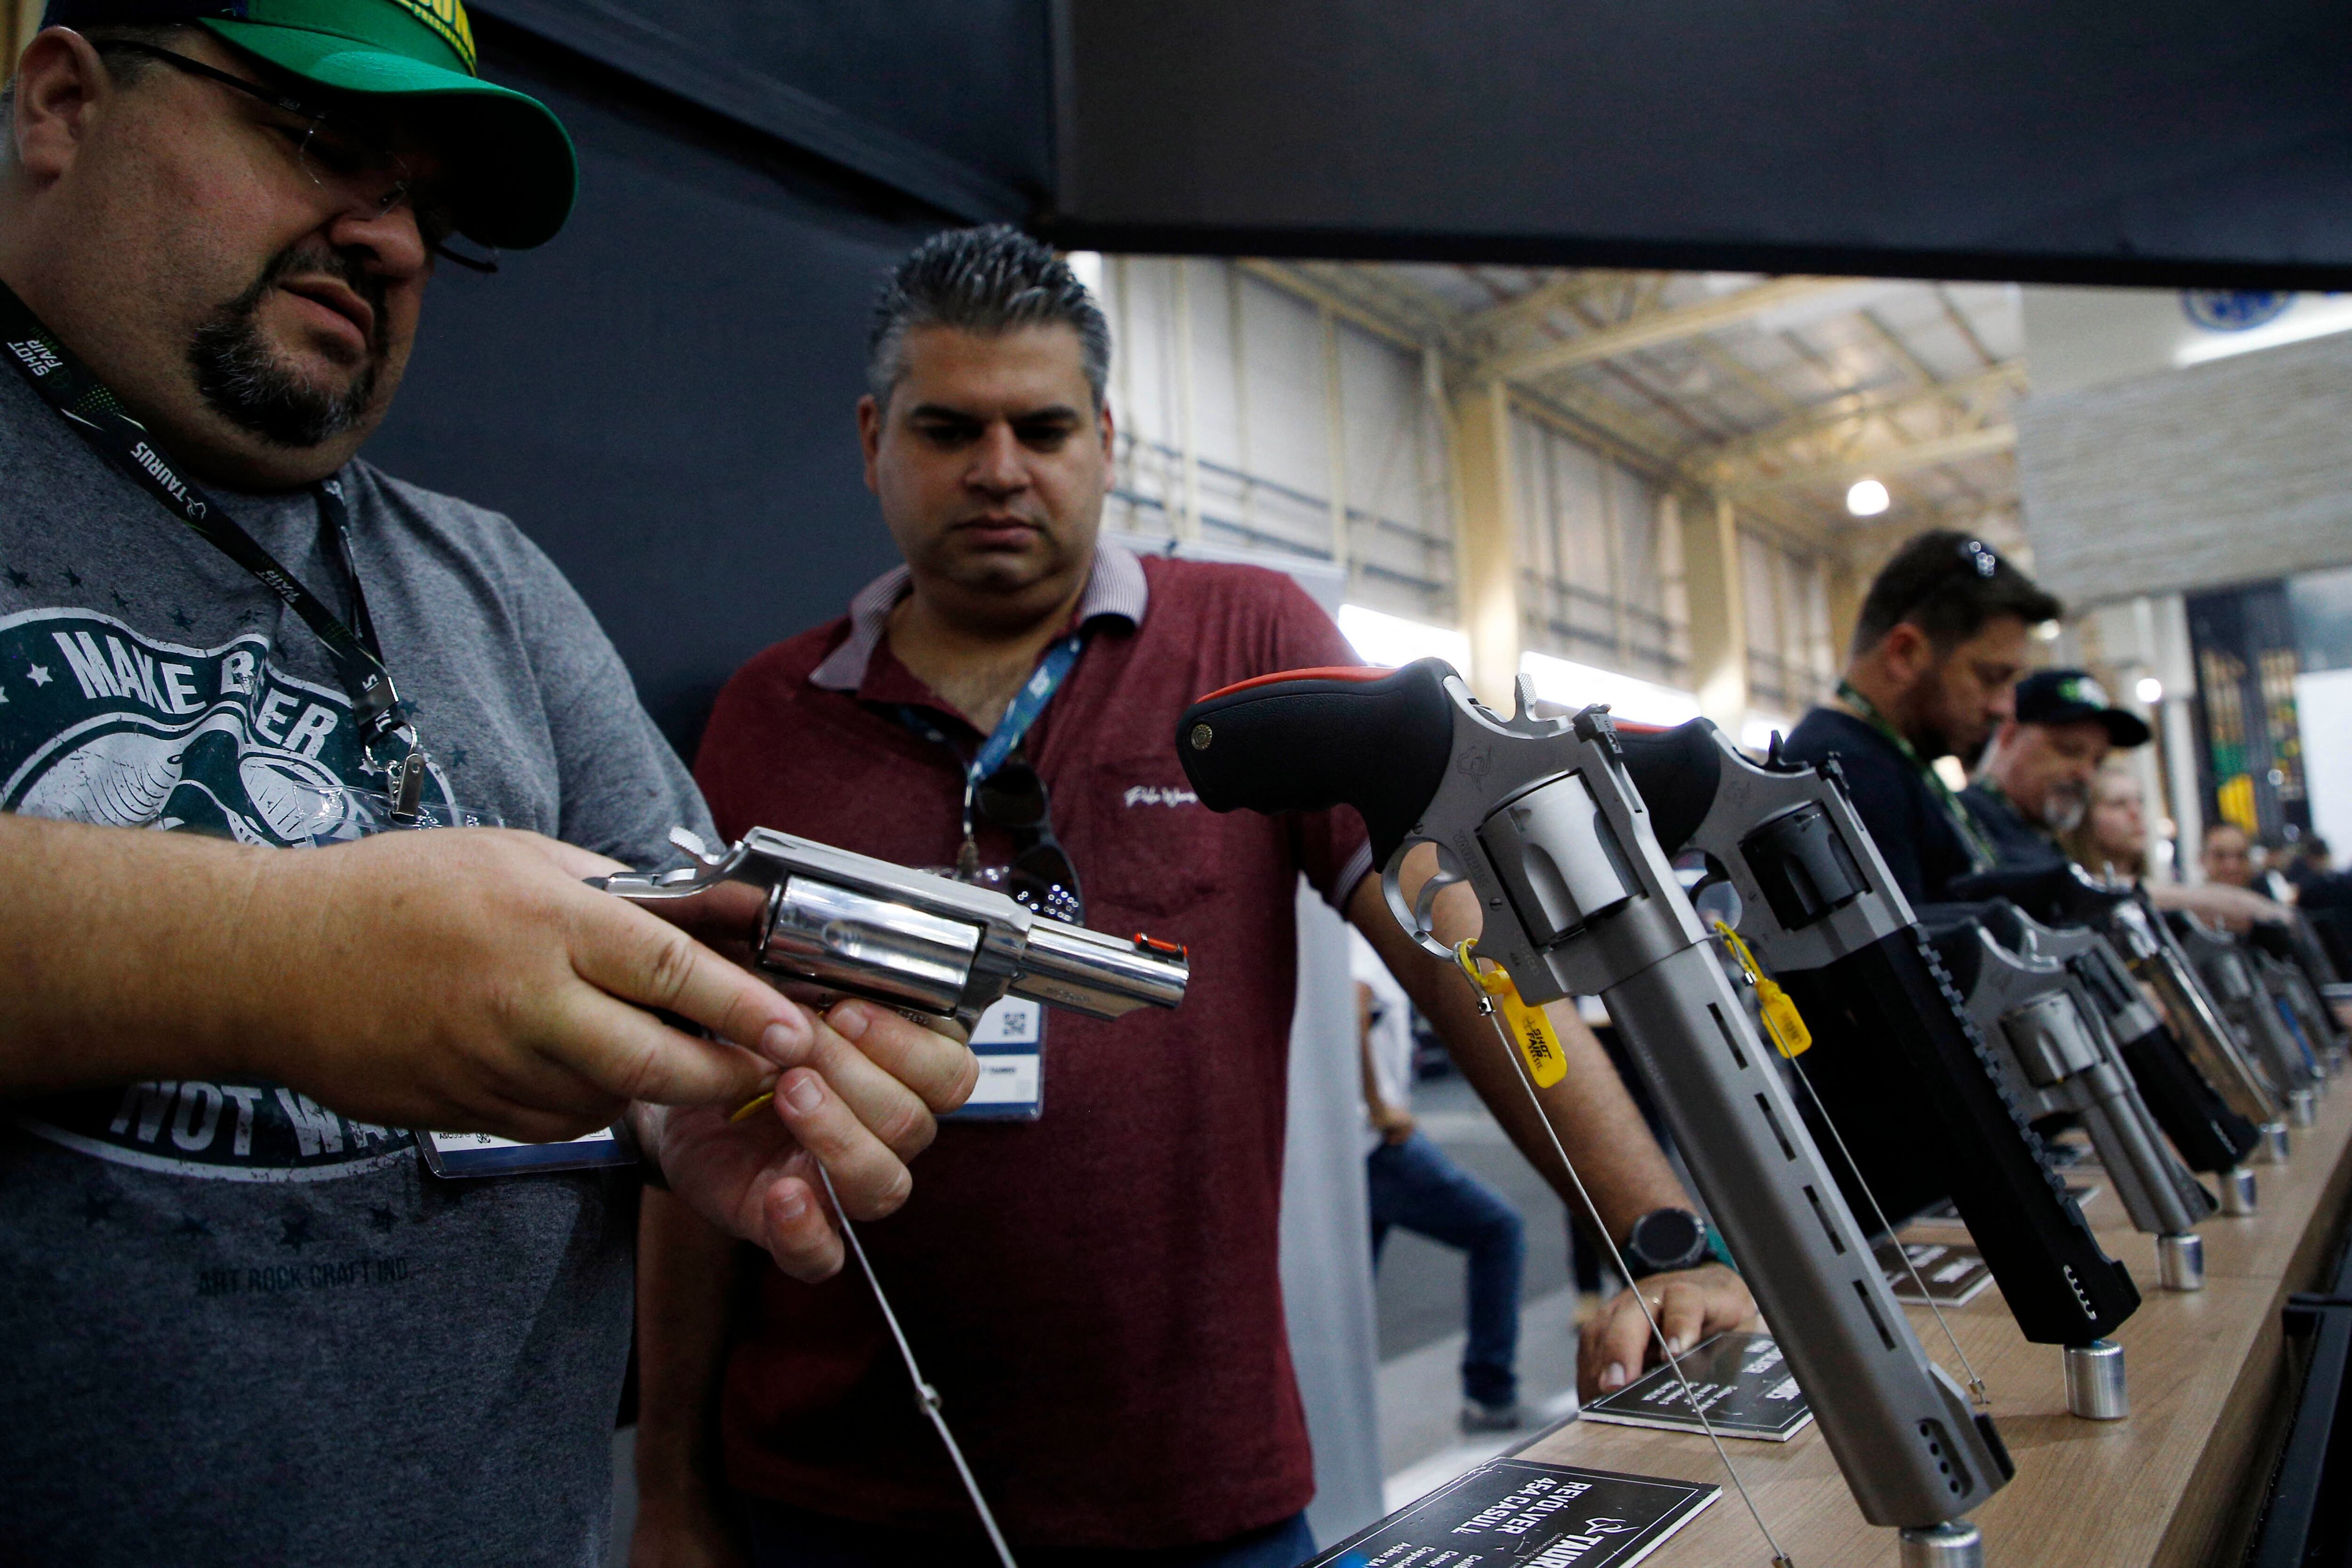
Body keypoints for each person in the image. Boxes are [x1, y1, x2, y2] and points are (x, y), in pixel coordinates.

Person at [0, 8, 973, 1563]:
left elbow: (687, 954)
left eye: (430, 209)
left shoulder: (491, 584)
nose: (391, 240)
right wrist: (273, 955)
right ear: (63, 103)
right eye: (324, 141)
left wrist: (731, 1073)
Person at [633, 226, 1755, 1568]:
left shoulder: (1250, 645)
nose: (1000, 468)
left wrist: (1658, 1236)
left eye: (1044, 428)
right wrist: (671, 1489)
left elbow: (1464, 957)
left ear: (1107, 440)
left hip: (1193, 1493)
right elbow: (698, 1099)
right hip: (828, 1494)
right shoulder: (770, 711)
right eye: (949, 429)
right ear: (875, 438)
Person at [1780, 531, 2062, 906]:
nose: (2004, 708)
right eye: (1991, 677)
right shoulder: (1846, 772)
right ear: (1905, 653)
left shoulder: (1886, 765)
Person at [1353, 928, 1528, 1433]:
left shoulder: (1355, 942)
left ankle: (1332, 1416)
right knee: (1499, 1229)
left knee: (1350, 1293)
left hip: (1356, 1150)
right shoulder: (1358, 941)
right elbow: (1352, 1010)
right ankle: (1490, 1393)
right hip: (1376, 1145)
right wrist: (1379, 1108)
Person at [1960, 668, 2150, 873]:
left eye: (2098, 761)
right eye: (2069, 750)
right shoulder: (1963, 827)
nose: (2086, 774)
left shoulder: (2040, 839)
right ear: (2010, 734)